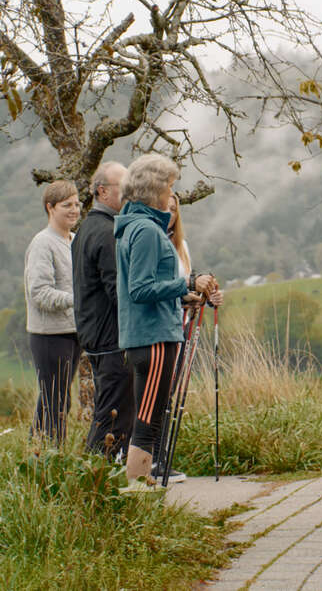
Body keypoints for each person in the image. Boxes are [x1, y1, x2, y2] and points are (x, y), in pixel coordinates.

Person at [114, 154, 216, 488]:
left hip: (148, 334)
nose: (172, 193)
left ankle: (139, 488)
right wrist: (186, 283)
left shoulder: (136, 226)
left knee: (149, 416)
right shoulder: (145, 230)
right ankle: (138, 491)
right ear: (155, 190)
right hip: (154, 336)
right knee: (149, 420)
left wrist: (183, 295)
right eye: (170, 186)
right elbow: (141, 289)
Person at [72, 161, 135, 462]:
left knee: (110, 409)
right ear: (102, 190)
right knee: (113, 413)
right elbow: (117, 291)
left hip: (96, 334)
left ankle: (103, 473)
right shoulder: (107, 233)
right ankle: (93, 476)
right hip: (111, 337)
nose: (128, 193)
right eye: (122, 187)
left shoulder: (87, 228)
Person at [24, 180, 82, 445]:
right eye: (66, 205)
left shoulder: (74, 240)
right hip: (49, 335)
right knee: (54, 401)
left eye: (77, 204)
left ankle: (42, 453)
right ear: (50, 208)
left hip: (72, 332)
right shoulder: (42, 243)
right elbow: (39, 293)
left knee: (59, 400)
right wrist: (79, 299)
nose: (74, 210)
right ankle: (46, 459)